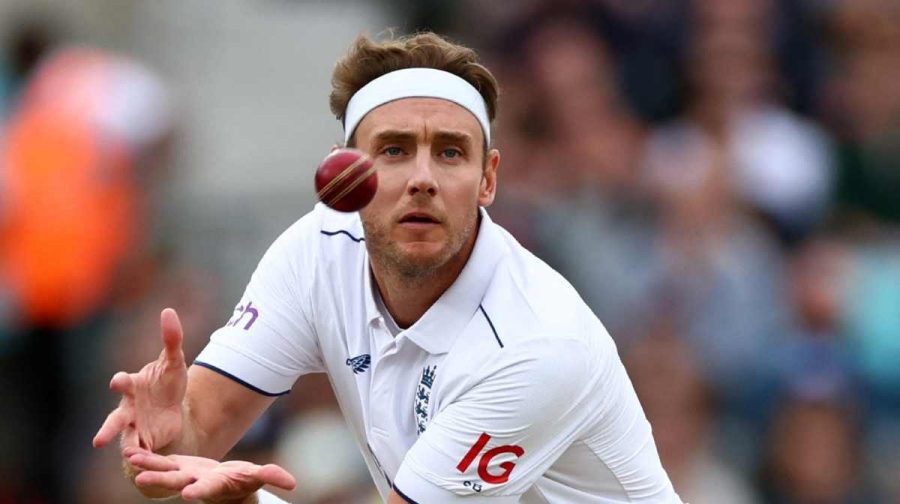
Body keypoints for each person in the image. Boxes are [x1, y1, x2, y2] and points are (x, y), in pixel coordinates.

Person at [93, 32, 682, 504]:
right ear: (342, 177)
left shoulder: (537, 345)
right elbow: (196, 435)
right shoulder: (315, 253)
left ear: (489, 178)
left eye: (450, 151)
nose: (422, 177)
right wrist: (166, 439)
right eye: (395, 149)